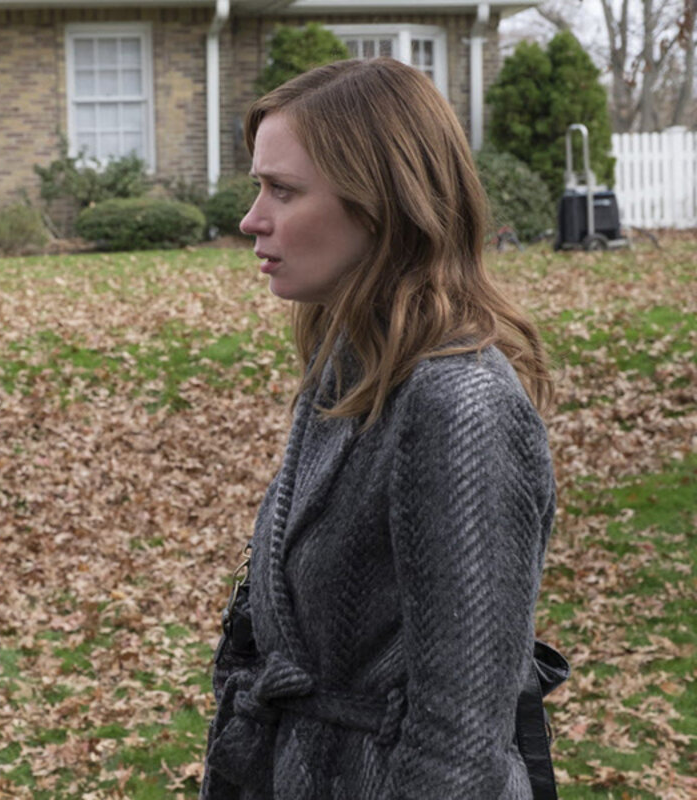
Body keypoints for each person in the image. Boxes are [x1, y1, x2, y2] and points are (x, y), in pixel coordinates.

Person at [202, 58, 557, 798]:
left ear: (380, 204)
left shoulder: (458, 404)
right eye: (258, 186)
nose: (251, 219)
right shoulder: (351, 364)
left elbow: (460, 749)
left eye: (283, 190)